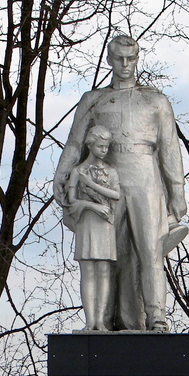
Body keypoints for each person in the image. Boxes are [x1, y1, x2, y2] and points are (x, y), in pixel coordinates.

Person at [54, 35, 187, 331]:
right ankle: (102, 321)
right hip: (106, 179)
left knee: (151, 249)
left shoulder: (156, 100)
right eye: (119, 59)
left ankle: (157, 318)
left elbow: (169, 147)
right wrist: (62, 175)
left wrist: (177, 191)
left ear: (137, 59)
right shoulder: (93, 100)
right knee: (108, 253)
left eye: (131, 59)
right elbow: (76, 143)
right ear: (110, 60)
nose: (125, 65)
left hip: (145, 177)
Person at [65, 126, 121, 330]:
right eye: (100, 146)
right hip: (87, 221)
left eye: (107, 146)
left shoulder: (112, 171)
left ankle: (101, 321)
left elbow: (116, 195)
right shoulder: (77, 171)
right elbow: (72, 200)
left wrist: (91, 184)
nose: (104, 150)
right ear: (91, 145)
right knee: (88, 270)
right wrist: (91, 205)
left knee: (104, 270)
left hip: (105, 223)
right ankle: (90, 322)